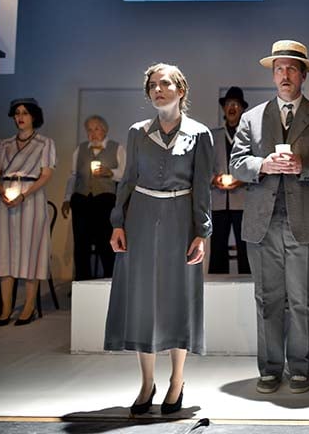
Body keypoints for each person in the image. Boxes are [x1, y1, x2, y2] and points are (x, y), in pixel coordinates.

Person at [230, 40, 309, 394]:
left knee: (301, 301)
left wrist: (303, 164)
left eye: (292, 68)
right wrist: (262, 164)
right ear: (273, 74)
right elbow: (236, 164)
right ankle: (269, 369)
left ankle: (300, 369)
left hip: (306, 221)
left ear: (303, 75)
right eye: (279, 68)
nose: (285, 75)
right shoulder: (251, 118)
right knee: (267, 300)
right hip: (262, 223)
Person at [103, 63, 213, 414]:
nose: (158, 90)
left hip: (181, 220)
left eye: (165, 84)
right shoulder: (137, 132)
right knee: (142, 299)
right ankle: (147, 382)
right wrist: (118, 222)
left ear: (181, 90)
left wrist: (202, 232)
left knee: (178, 298)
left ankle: (177, 381)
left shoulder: (199, 134)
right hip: (141, 218)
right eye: (152, 85)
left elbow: (202, 187)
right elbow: (127, 180)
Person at [0, 98, 56, 326]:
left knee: (31, 250)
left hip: (31, 198)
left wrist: (24, 195)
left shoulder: (44, 143)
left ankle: (29, 305)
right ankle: (6, 306)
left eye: (25, 113)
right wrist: (2, 191)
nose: (20, 117)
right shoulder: (4, 144)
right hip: (5, 199)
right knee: (4, 251)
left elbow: (46, 175)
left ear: (34, 116)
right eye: (17, 113)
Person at [61, 115, 126, 280]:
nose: (92, 133)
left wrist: (110, 172)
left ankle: (109, 281)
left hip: (105, 200)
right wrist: (67, 198)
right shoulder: (81, 149)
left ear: (104, 130)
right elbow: (73, 176)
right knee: (81, 243)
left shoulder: (117, 148)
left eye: (96, 129)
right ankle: (81, 282)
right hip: (82, 199)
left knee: (105, 241)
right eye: (89, 130)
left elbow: (125, 175)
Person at [209, 86, 250, 274]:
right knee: (217, 247)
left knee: (245, 248)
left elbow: (256, 165)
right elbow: (203, 166)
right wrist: (213, 179)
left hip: (243, 201)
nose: (232, 107)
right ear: (224, 108)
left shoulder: (249, 136)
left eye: (236, 104)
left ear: (242, 109)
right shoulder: (212, 136)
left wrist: (242, 179)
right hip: (218, 201)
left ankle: (248, 286)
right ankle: (216, 287)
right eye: (228, 104)